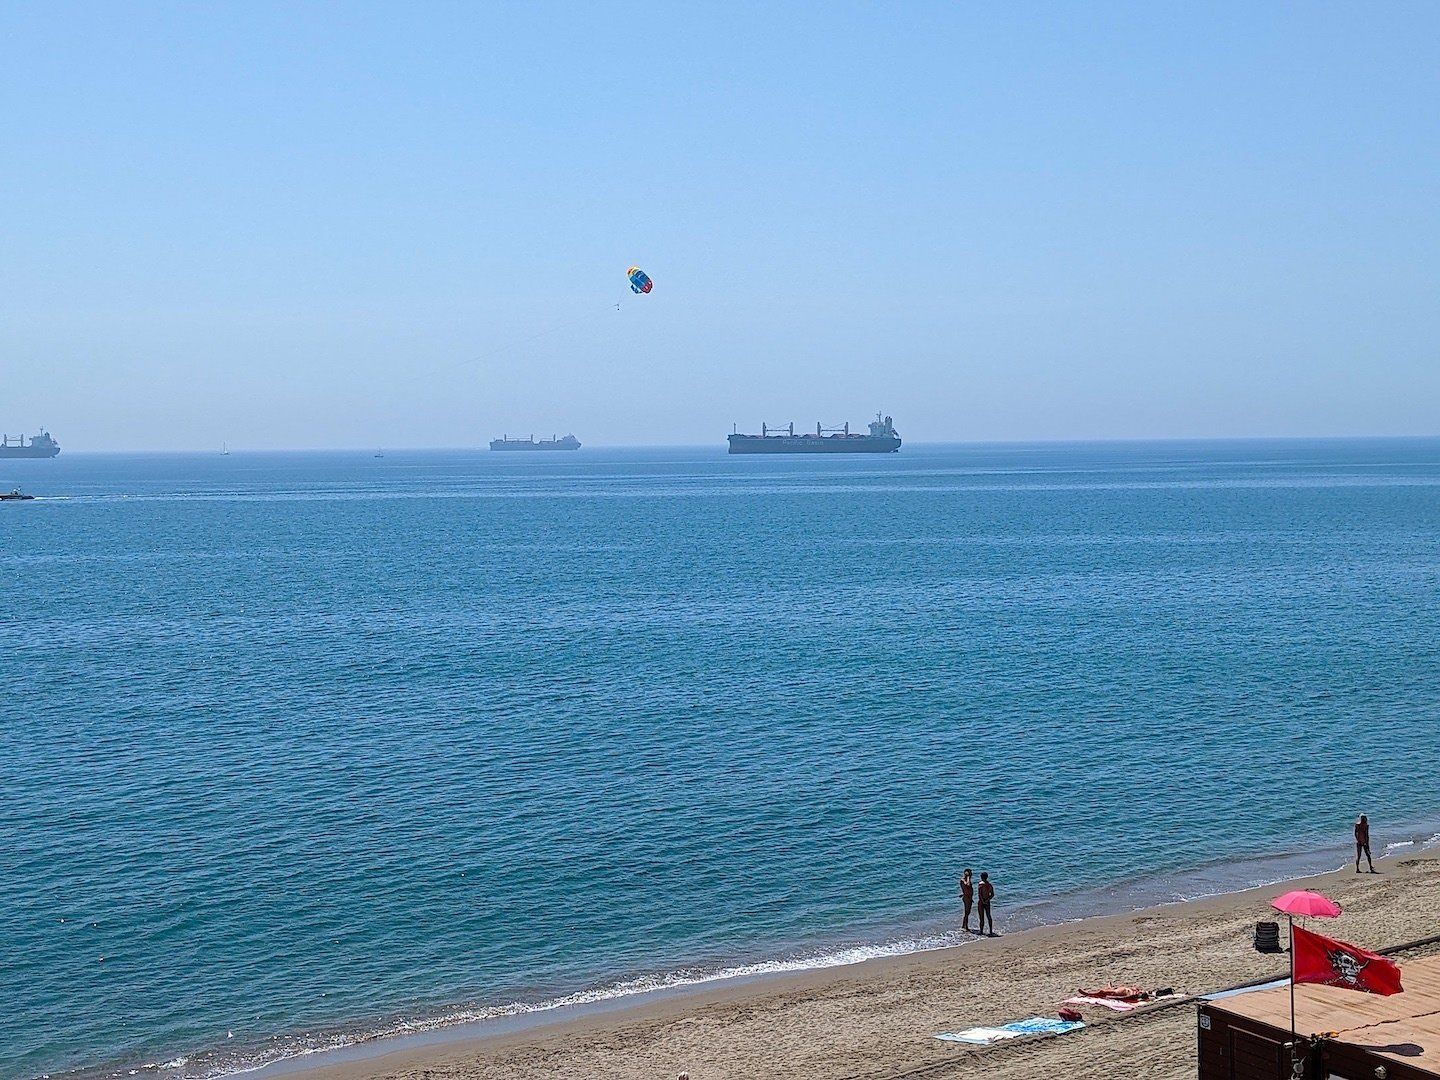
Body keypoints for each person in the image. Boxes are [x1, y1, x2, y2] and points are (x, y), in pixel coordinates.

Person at [977, 872, 996, 936]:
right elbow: (992, 894)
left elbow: (979, 894)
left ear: (981, 877)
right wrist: (987, 900)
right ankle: (990, 931)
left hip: (981, 902)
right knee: (988, 916)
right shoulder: (989, 885)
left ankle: (981, 931)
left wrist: (982, 901)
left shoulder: (980, 884)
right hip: (987, 901)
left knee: (981, 917)